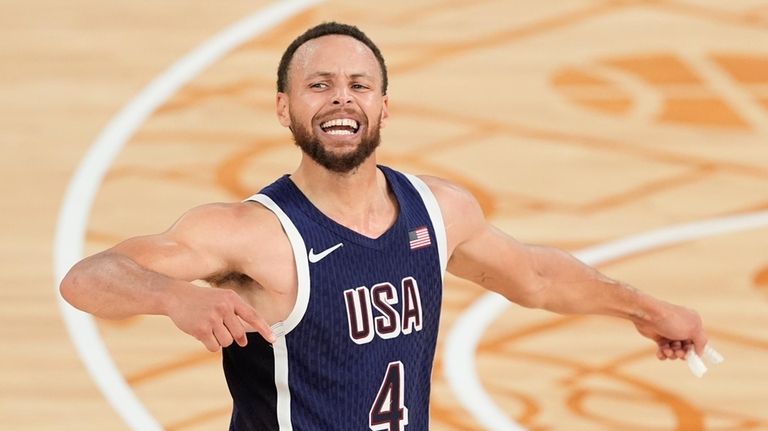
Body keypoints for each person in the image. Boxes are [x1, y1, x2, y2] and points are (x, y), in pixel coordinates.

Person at [60, 22, 707, 431]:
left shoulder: (438, 210)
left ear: (383, 107)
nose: (341, 96)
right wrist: (174, 296)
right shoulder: (250, 233)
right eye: (319, 84)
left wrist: (645, 308)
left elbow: (536, 276)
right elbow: (86, 278)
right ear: (284, 108)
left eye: (357, 85)